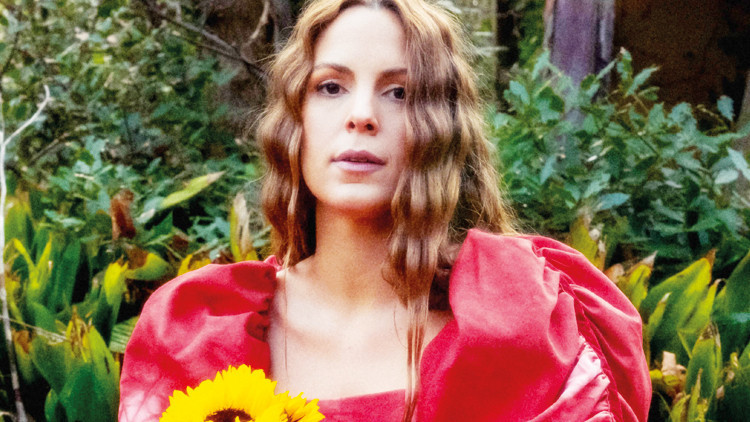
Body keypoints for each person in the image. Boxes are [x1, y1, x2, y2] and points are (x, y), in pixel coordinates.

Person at [119, 0, 651, 421]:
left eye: (400, 93)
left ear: (442, 130)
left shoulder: (531, 323)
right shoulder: (193, 331)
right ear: (294, 119)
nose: (362, 115)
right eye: (331, 87)